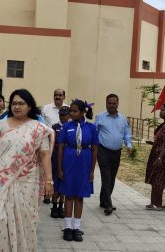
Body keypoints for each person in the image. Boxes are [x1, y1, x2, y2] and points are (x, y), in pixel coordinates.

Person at [0, 89, 54, 251]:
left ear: (29, 106)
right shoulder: (1, 125)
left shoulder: (38, 128)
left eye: (21, 103)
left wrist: (48, 180)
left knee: (25, 221)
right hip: (1, 181)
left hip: (28, 182)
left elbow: (45, 155)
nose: (17, 107)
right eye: (14, 103)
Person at [58, 100, 98, 242]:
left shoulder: (91, 128)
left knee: (79, 196)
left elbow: (94, 149)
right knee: (69, 194)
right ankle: (68, 227)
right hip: (69, 161)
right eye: (71, 111)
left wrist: (92, 170)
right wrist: (59, 168)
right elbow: (61, 147)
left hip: (84, 163)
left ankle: (76, 227)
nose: (71, 114)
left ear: (82, 112)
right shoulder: (66, 126)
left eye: (74, 111)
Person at [94, 93, 132, 216]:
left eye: (114, 103)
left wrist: (129, 144)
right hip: (103, 150)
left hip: (117, 152)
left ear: (117, 104)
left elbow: (126, 132)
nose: (111, 105)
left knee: (112, 177)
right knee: (106, 177)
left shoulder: (122, 118)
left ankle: (103, 201)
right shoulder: (100, 117)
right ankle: (109, 205)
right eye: (109, 103)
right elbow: (95, 132)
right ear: (106, 104)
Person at [41, 89, 68, 203]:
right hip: (47, 143)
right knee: (48, 168)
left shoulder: (69, 108)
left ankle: (59, 196)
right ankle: (47, 194)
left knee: (61, 170)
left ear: (64, 96)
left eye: (60, 95)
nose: (57, 97)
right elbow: (41, 123)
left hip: (64, 146)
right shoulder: (46, 108)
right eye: (56, 95)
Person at [50, 106, 70, 219]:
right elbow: (52, 142)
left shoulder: (71, 127)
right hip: (56, 155)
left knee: (64, 180)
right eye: (61, 115)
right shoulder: (55, 127)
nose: (63, 117)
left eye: (65, 115)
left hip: (66, 155)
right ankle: (54, 205)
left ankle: (61, 206)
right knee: (55, 180)